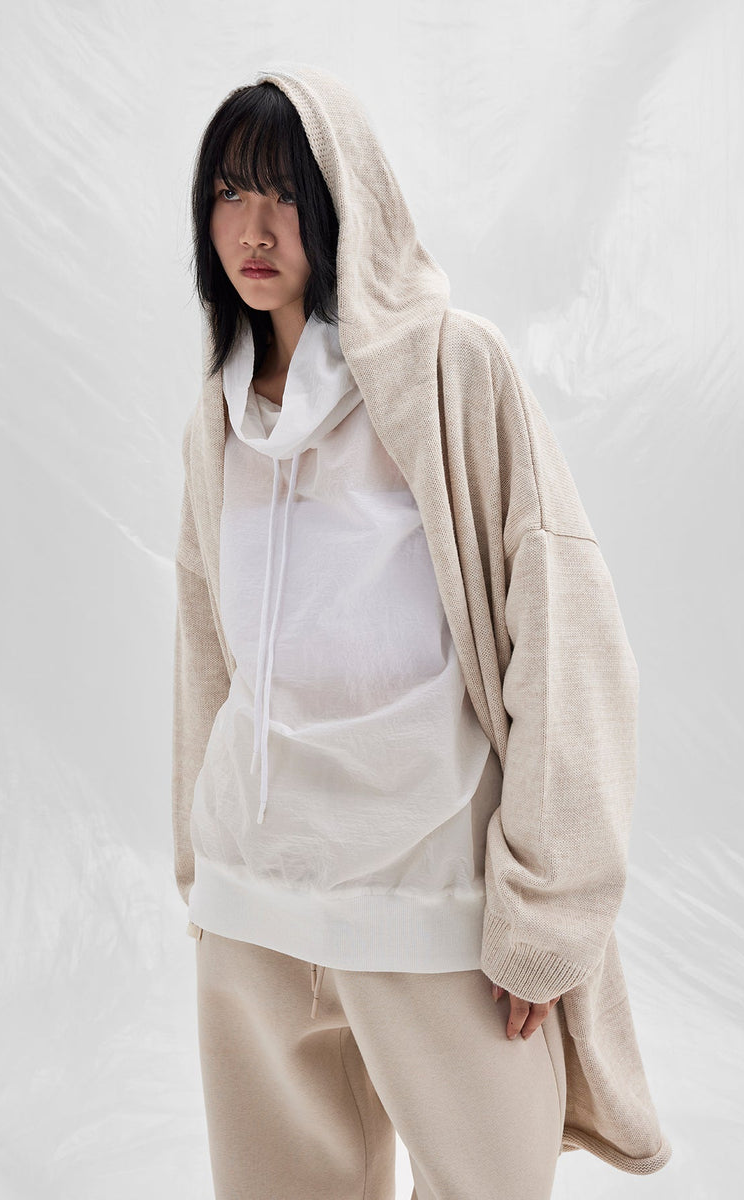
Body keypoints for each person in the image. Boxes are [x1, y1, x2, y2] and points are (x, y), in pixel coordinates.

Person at [172, 63, 672, 1200]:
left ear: (343, 197)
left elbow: (568, 631)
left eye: (283, 191)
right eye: (229, 193)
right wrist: (201, 873)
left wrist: (545, 910)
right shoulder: (216, 417)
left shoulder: (452, 372)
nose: (254, 228)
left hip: (428, 893)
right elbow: (204, 649)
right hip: (254, 902)